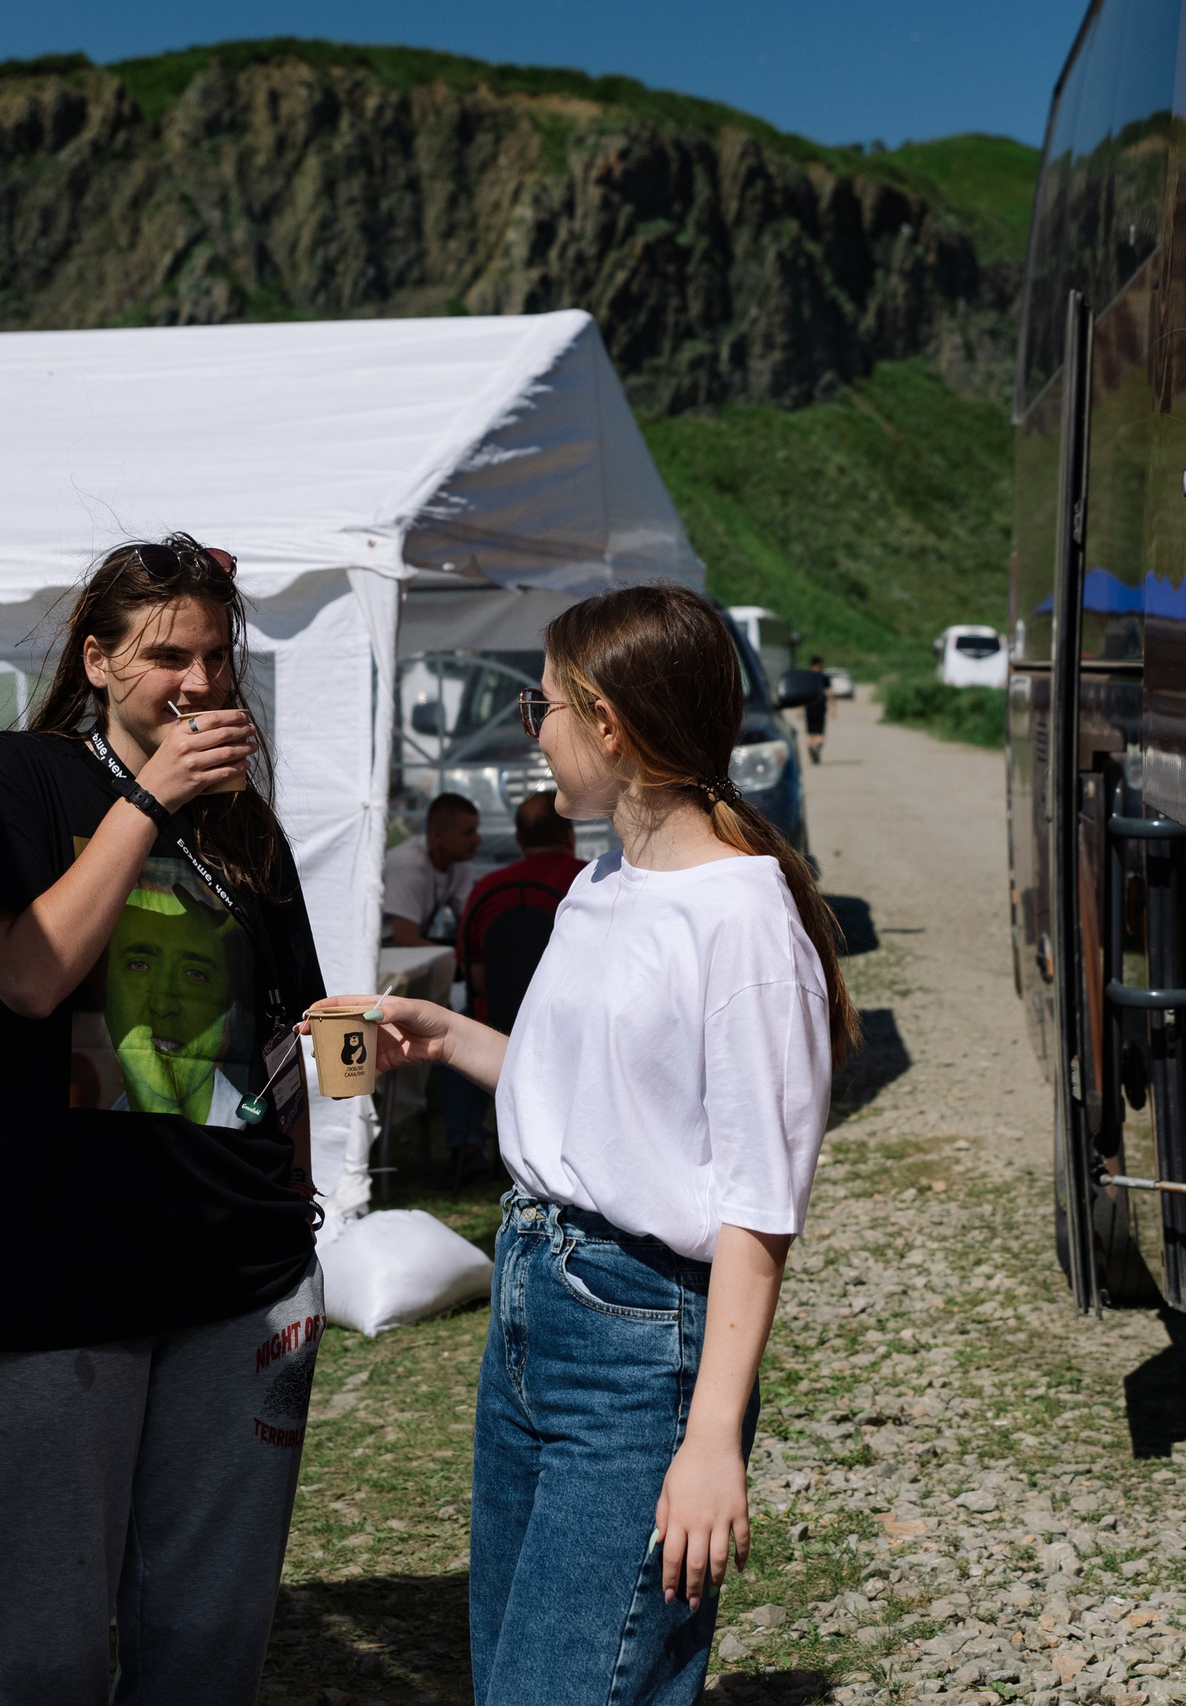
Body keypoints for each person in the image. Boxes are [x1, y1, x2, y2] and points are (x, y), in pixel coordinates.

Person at [328, 583, 858, 1706]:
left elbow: (758, 1208)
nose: (537, 732)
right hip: (533, 1294)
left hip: (636, 1336)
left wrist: (711, 1433)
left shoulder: (743, 919)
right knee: (522, 1672)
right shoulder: (606, 878)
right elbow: (600, 1097)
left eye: (545, 708)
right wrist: (454, 1037)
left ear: (609, 726)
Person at [0, 535, 327, 1706]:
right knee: (41, 1645)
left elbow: (283, 1034)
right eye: (169, 654)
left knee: (207, 1637)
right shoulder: (19, 778)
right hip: (65, 1275)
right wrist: (147, 798)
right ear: (98, 658)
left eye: (217, 655)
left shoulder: (244, 824)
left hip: (241, 1278)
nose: (201, 681)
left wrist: (300, 1203)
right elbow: (29, 974)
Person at [455, 789, 587, 1032]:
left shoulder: (487, 888)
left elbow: (476, 979)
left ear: (518, 839)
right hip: (573, 1027)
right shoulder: (593, 882)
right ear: (570, 837)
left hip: (498, 1029)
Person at [384, 793, 481, 946]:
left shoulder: (460, 862)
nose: (477, 839)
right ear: (437, 835)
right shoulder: (409, 864)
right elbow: (404, 940)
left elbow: (471, 927)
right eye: (468, 832)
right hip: (379, 953)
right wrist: (453, 960)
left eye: (476, 831)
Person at [794, 653, 832, 764]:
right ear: (819, 664)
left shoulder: (807, 677)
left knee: (810, 733)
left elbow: (801, 694)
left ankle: (811, 750)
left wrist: (798, 709)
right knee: (820, 732)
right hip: (821, 707)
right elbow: (829, 693)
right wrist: (834, 708)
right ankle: (817, 749)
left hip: (809, 707)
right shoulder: (823, 677)